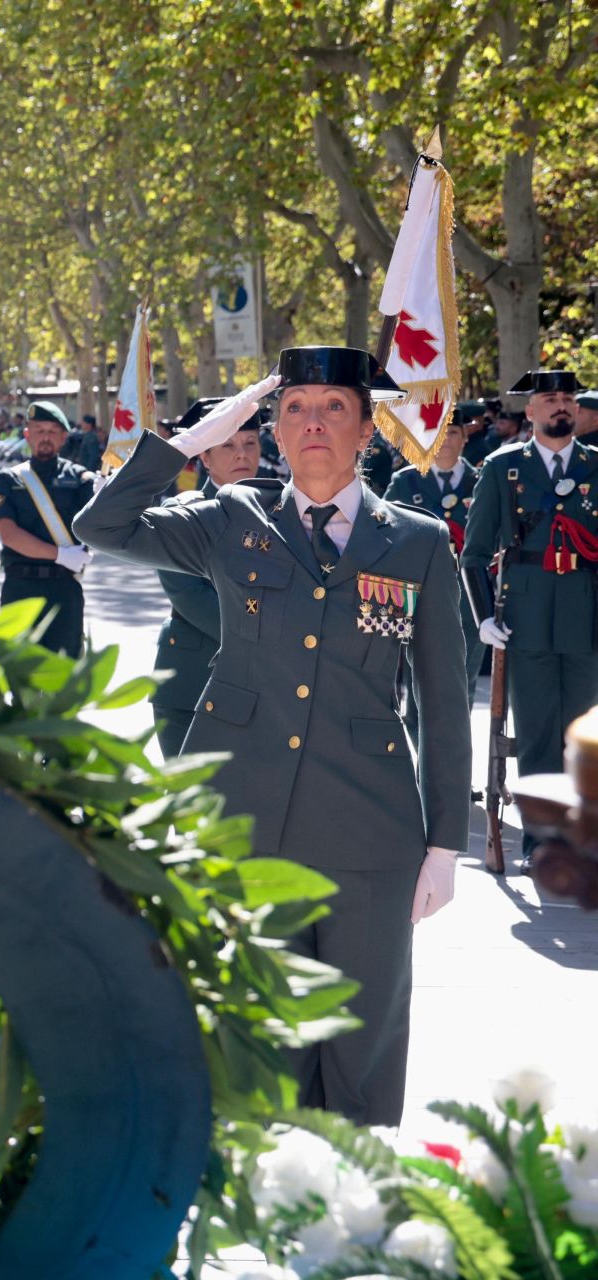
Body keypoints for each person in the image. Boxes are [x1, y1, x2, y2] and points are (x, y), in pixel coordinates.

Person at [74, 346, 468, 1125]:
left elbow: (444, 698)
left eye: (334, 407)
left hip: (369, 823)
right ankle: (270, 1177)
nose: (312, 422)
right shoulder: (230, 519)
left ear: (367, 430)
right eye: (294, 409)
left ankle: (352, 1177)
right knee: (258, 1026)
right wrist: (189, 441)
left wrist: (445, 845)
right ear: (274, 430)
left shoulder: (416, 540)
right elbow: (102, 525)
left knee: (361, 1024)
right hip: (243, 811)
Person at [461, 370, 598, 868]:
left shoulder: (595, 465)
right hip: (527, 617)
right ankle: (542, 841)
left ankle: (582, 838)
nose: (561, 406)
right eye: (550, 399)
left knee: (582, 737)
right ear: (531, 410)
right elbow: (474, 554)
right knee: (537, 734)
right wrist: (484, 618)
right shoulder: (503, 468)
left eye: (568, 398)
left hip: (587, 618)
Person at [149, 397, 261, 756]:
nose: (241, 453)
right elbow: (189, 595)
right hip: (193, 686)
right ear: (205, 458)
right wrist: (267, 640)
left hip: (264, 693)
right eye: (227, 445)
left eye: (250, 442)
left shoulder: (283, 515)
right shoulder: (183, 515)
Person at [0, 401, 96, 656]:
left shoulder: (81, 479)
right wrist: (60, 554)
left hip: (64, 589)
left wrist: (108, 496)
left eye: (52, 431)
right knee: (18, 669)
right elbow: (9, 535)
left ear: (63, 437)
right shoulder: (8, 480)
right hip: (20, 587)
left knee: (64, 670)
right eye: (39, 430)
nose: (45, 437)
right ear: (27, 435)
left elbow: (99, 526)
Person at [384, 415, 483, 718]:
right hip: (418, 592)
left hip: (468, 595)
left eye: (452, 432)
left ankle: (456, 743)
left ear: (465, 436)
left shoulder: (481, 480)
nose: (445, 440)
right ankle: (420, 745)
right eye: (437, 433)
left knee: (462, 678)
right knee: (419, 679)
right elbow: (383, 531)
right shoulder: (406, 481)